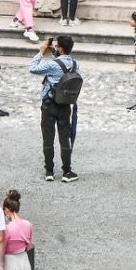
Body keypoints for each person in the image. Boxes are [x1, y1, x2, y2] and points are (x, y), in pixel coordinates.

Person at [28, 35, 81, 183]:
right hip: (65, 105)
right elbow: (63, 65)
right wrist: (55, 53)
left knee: (48, 137)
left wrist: (41, 52)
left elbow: (33, 68)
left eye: (57, 46)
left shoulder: (52, 65)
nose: (55, 47)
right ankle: (67, 171)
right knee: (65, 138)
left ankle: (49, 171)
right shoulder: (76, 64)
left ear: (61, 49)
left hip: (49, 104)